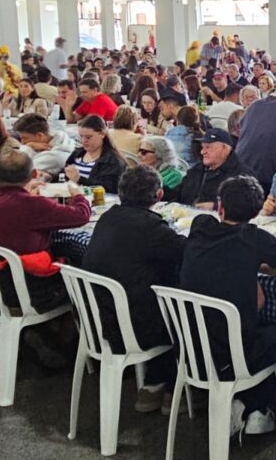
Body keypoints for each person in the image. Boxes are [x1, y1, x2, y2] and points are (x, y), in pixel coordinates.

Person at [179, 176, 276, 436]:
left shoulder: (200, 225)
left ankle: (245, 403)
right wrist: (257, 263)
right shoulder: (253, 238)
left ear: (220, 207)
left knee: (264, 331)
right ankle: (257, 407)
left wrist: (251, 265)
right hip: (231, 353)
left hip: (190, 344)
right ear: (255, 212)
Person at [81, 165, 185, 410]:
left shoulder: (107, 218)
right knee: (187, 314)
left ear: (120, 192)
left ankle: (154, 385)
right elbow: (187, 252)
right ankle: (175, 388)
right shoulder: (152, 229)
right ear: (159, 196)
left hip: (98, 319)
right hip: (133, 327)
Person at [0, 151, 91, 306]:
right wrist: (78, 195)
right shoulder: (34, 205)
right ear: (33, 174)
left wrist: (27, 194)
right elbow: (82, 216)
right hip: (31, 288)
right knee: (83, 261)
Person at [176, 128, 256, 208]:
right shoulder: (196, 170)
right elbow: (177, 193)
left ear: (224, 148)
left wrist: (216, 206)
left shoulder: (242, 175)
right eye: (202, 147)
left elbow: (248, 206)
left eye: (208, 147)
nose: (202, 152)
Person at [63, 115, 127, 194]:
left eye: (88, 137)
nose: (83, 141)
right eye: (81, 136)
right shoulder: (77, 154)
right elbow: (63, 174)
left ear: (102, 134)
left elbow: (110, 187)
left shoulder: (113, 161)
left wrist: (79, 179)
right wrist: (49, 176)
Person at [13, 113, 75, 179]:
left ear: (40, 136)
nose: (22, 142)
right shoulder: (58, 139)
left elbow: (17, 170)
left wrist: (27, 147)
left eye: (25, 138)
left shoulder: (54, 156)